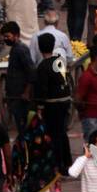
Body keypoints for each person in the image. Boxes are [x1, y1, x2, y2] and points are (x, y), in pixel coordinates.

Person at [33, 31, 72, 173]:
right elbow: (65, 81)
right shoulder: (59, 62)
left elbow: (42, 88)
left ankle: (58, 164)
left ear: (40, 47)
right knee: (62, 132)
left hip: (52, 104)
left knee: (54, 135)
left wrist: (39, 107)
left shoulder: (42, 67)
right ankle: (67, 161)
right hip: (65, 101)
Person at [1, 21, 35, 137]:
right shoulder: (15, 49)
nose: (6, 39)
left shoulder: (21, 50)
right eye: (4, 37)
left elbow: (31, 72)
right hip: (15, 94)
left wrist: (26, 92)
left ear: (16, 35)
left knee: (24, 127)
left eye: (8, 36)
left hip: (21, 96)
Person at [76, 44, 97, 144]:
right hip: (92, 119)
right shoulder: (86, 77)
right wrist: (84, 115)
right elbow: (78, 99)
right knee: (91, 148)